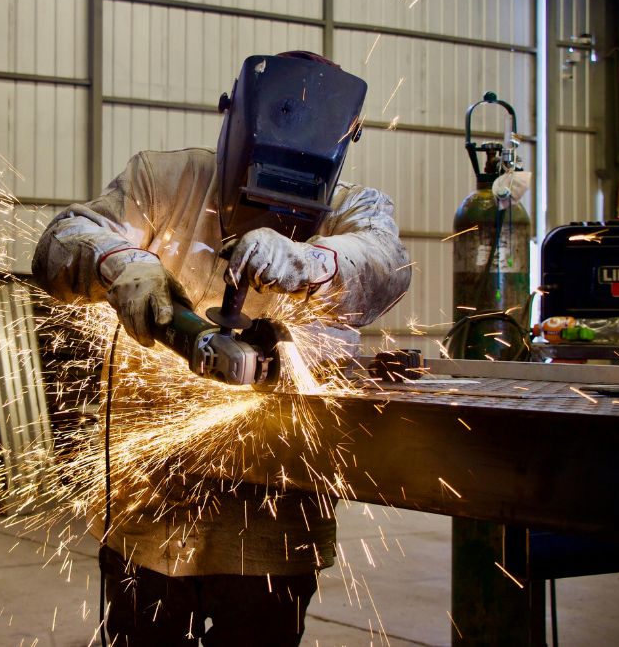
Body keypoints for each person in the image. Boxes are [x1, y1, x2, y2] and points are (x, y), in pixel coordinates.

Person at [33, 51, 411, 646]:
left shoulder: (352, 211)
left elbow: (386, 264)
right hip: (153, 508)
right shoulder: (163, 182)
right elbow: (62, 240)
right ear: (232, 121)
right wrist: (124, 265)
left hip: (274, 521)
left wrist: (312, 262)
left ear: (345, 142)